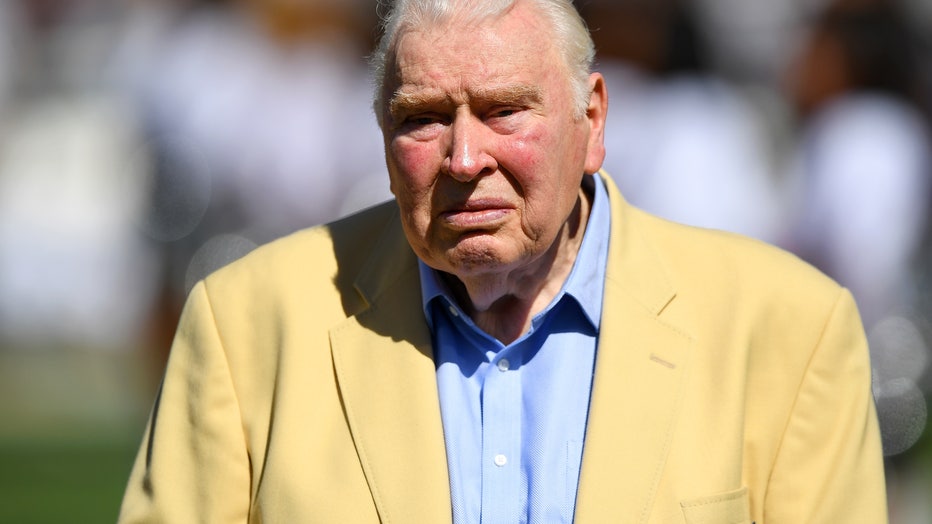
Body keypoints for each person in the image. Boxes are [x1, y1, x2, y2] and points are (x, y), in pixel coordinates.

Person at [118, 0, 887, 522]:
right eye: (421, 118)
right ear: (380, 138)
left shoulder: (790, 329)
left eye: (503, 111)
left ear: (592, 121)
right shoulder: (246, 325)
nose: (462, 157)